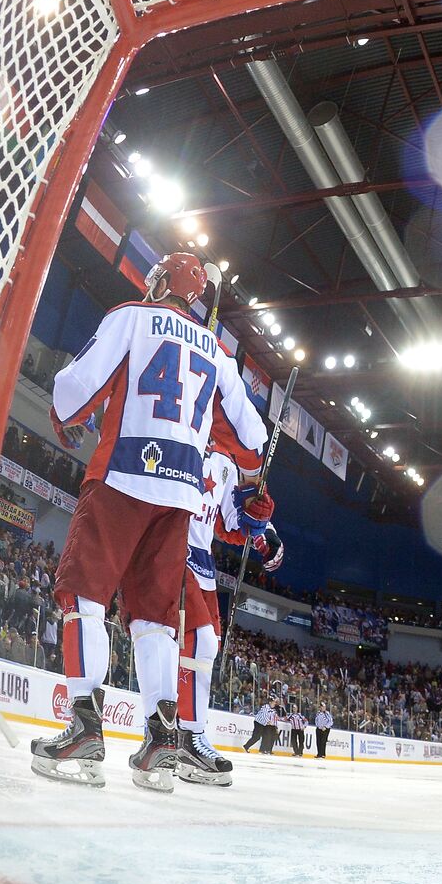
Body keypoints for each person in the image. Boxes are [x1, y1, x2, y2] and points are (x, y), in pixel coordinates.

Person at [30, 253, 269, 792]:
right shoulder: (220, 354)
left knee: (83, 598)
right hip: (178, 499)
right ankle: (162, 738)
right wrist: (252, 486)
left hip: (121, 476)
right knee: (156, 620)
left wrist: (69, 419)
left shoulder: (132, 316)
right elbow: (252, 443)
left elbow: (73, 390)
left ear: (159, 283)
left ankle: (84, 728)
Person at [176, 439, 278, 787]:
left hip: (203, 559)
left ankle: (186, 733)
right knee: (195, 642)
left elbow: (231, 522)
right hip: (173, 546)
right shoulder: (184, 432)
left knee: (208, 647)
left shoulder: (228, 464)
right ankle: (184, 735)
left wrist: (262, 529)